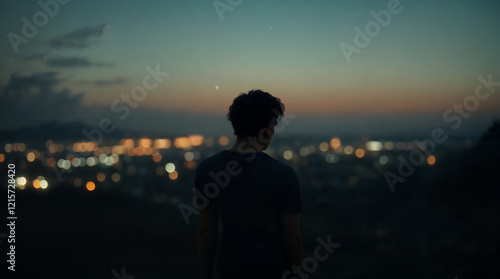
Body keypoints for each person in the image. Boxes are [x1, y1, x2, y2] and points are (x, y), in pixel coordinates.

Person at [195, 89, 302, 279]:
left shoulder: (209, 169)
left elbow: (206, 232)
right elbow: (292, 240)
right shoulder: (284, 175)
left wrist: (205, 275)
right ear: (267, 130)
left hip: (229, 272)